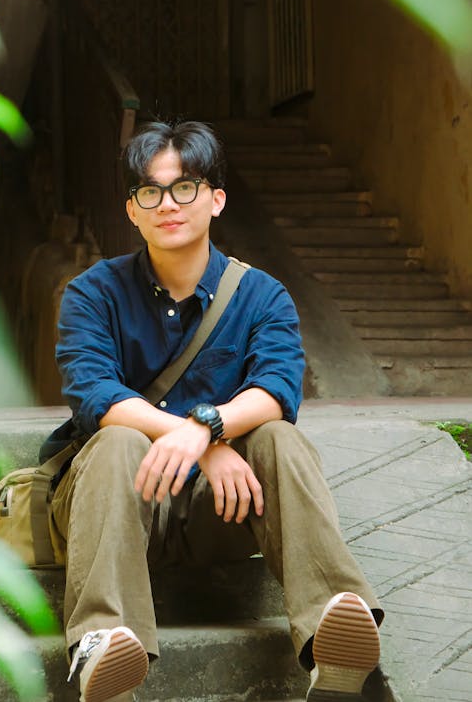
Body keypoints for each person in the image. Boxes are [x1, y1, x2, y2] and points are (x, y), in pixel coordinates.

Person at [44, 120, 384, 702]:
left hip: (218, 512)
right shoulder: (90, 293)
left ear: (216, 199)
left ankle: (334, 635)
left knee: (277, 436)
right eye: (149, 191)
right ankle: (104, 647)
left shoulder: (262, 295)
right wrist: (204, 439)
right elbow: (94, 394)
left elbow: (278, 387)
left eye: (185, 187)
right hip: (110, 511)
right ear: (132, 210)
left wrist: (210, 429)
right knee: (120, 438)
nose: (167, 204)